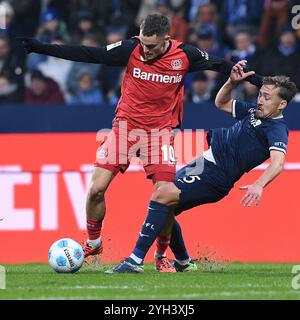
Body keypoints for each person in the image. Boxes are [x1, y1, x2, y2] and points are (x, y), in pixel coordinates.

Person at [17, 14, 262, 272]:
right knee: (96, 189)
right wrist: (42, 48)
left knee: (166, 195)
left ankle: (160, 255)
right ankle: (93, 242)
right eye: (143, 43)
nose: (146, 50)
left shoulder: (185, 56)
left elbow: (220, 65)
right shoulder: (132, 48)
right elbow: (90, 54)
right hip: (125, 128)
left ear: (166, 39)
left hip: (160, 133)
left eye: (152, 46)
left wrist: (257, 81)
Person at [107, 61, 297, 273]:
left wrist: (259, 184)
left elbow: (278, 162)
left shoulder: (277, 129)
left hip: (217, 175)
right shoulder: (254, 111)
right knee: (164, 203)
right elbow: (221, 103)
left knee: (163, 197)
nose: (260, 100)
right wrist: (231, 83)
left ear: (282, 105)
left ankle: (136, 260)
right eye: (260, 94)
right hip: (205, 161)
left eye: (267, 97)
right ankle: (182, 261)